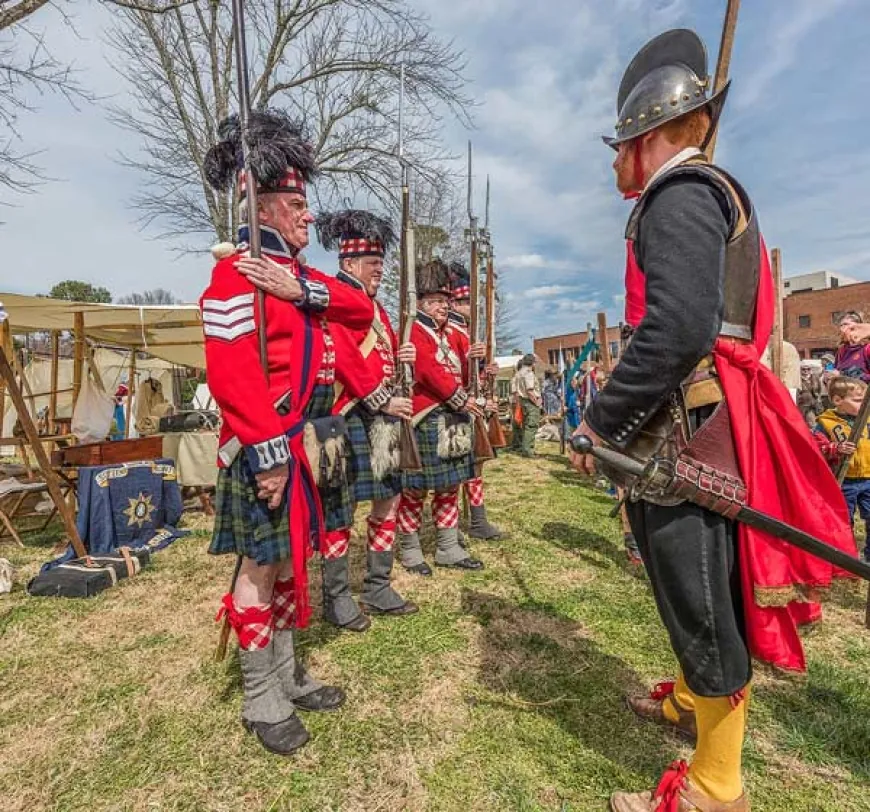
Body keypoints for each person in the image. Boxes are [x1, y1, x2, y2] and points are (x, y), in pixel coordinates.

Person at [571, 30, 856, 812]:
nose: (616, 162)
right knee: (686, 592)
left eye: (622, 143)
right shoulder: (701, 191)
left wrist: (599, 420)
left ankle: (714, 785)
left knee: (703, 604)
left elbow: (679, 327)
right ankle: (695, 707)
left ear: (650, 135)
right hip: (699, 421)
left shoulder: (682, 192)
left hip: (693, 431)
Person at [201, 110, 376, 755]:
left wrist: (302, 289)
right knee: (261, 567)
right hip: (264, 451)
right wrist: (269, 454)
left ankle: (287, 674)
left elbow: (360, 309)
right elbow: (234, 377)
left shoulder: (299, 281)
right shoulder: (231, 279)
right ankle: (260, 696)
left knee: (287, 567)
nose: (308, 216)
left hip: (306, 449)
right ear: (263, 205)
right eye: (296, 203)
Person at [311, 209, 420, 630]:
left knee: (388, 498)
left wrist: (401, 361)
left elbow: (380, 354)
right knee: (340, 508)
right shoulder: (338, 296)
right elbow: (343, 353)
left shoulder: (375, 306)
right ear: (350, 263)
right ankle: (336, 597)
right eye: (373, 264)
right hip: (348, 413)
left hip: (379, 417)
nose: (380, 271)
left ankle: (377, 584)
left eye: (380, 263)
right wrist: (381, 400)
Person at [396, 259, 484, 574]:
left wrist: (478, 360)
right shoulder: (412, 329)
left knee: (450, 485)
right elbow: (428, 370)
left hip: (453, 418)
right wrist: (460, 399)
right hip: (426, 416)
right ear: (420, 302)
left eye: (445, 302)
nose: (442, 307)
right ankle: (410, 548)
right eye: (435, 302)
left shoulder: (456, 332)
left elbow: (467, 369)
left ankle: (448, 546)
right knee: (415, 489)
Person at [446, 262, 503, 540]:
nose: (468, 307)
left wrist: (485, 371)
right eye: (463, 301)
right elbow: (452, 372)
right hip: (455, 405)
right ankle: (455, 523)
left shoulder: (467, 332)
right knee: (457, 471)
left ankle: (477, 520)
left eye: (470, 301)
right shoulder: (451, 332)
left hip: (470, 404)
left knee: (474, 467)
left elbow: (472, 375)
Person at [814, 376, 870, 561]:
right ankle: (846, 557)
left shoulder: (867, 419)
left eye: (864, 400)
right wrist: (836, 448)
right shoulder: (825, 422)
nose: (862, 404)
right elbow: (816, 446)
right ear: (838, 400)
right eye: (857, 400)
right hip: (844, 480)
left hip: (868, 477)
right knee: (844, 521)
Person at [515, 353, 541, 457]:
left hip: (523, 401)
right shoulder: (529, 373)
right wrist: (537, 403)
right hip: (530, 401)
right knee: (532, 425)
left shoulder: (519, 373)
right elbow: (530, 391)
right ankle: (528, 450)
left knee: (526, 425)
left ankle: (527, 448)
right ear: (532, 362)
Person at [834, 312, 870, 383]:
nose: (842, 329)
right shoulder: (841, 351)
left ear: (859, 326)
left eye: (846, 324)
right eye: (841, 325)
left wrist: (844, 374)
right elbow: (837, 373)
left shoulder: (867, 348)